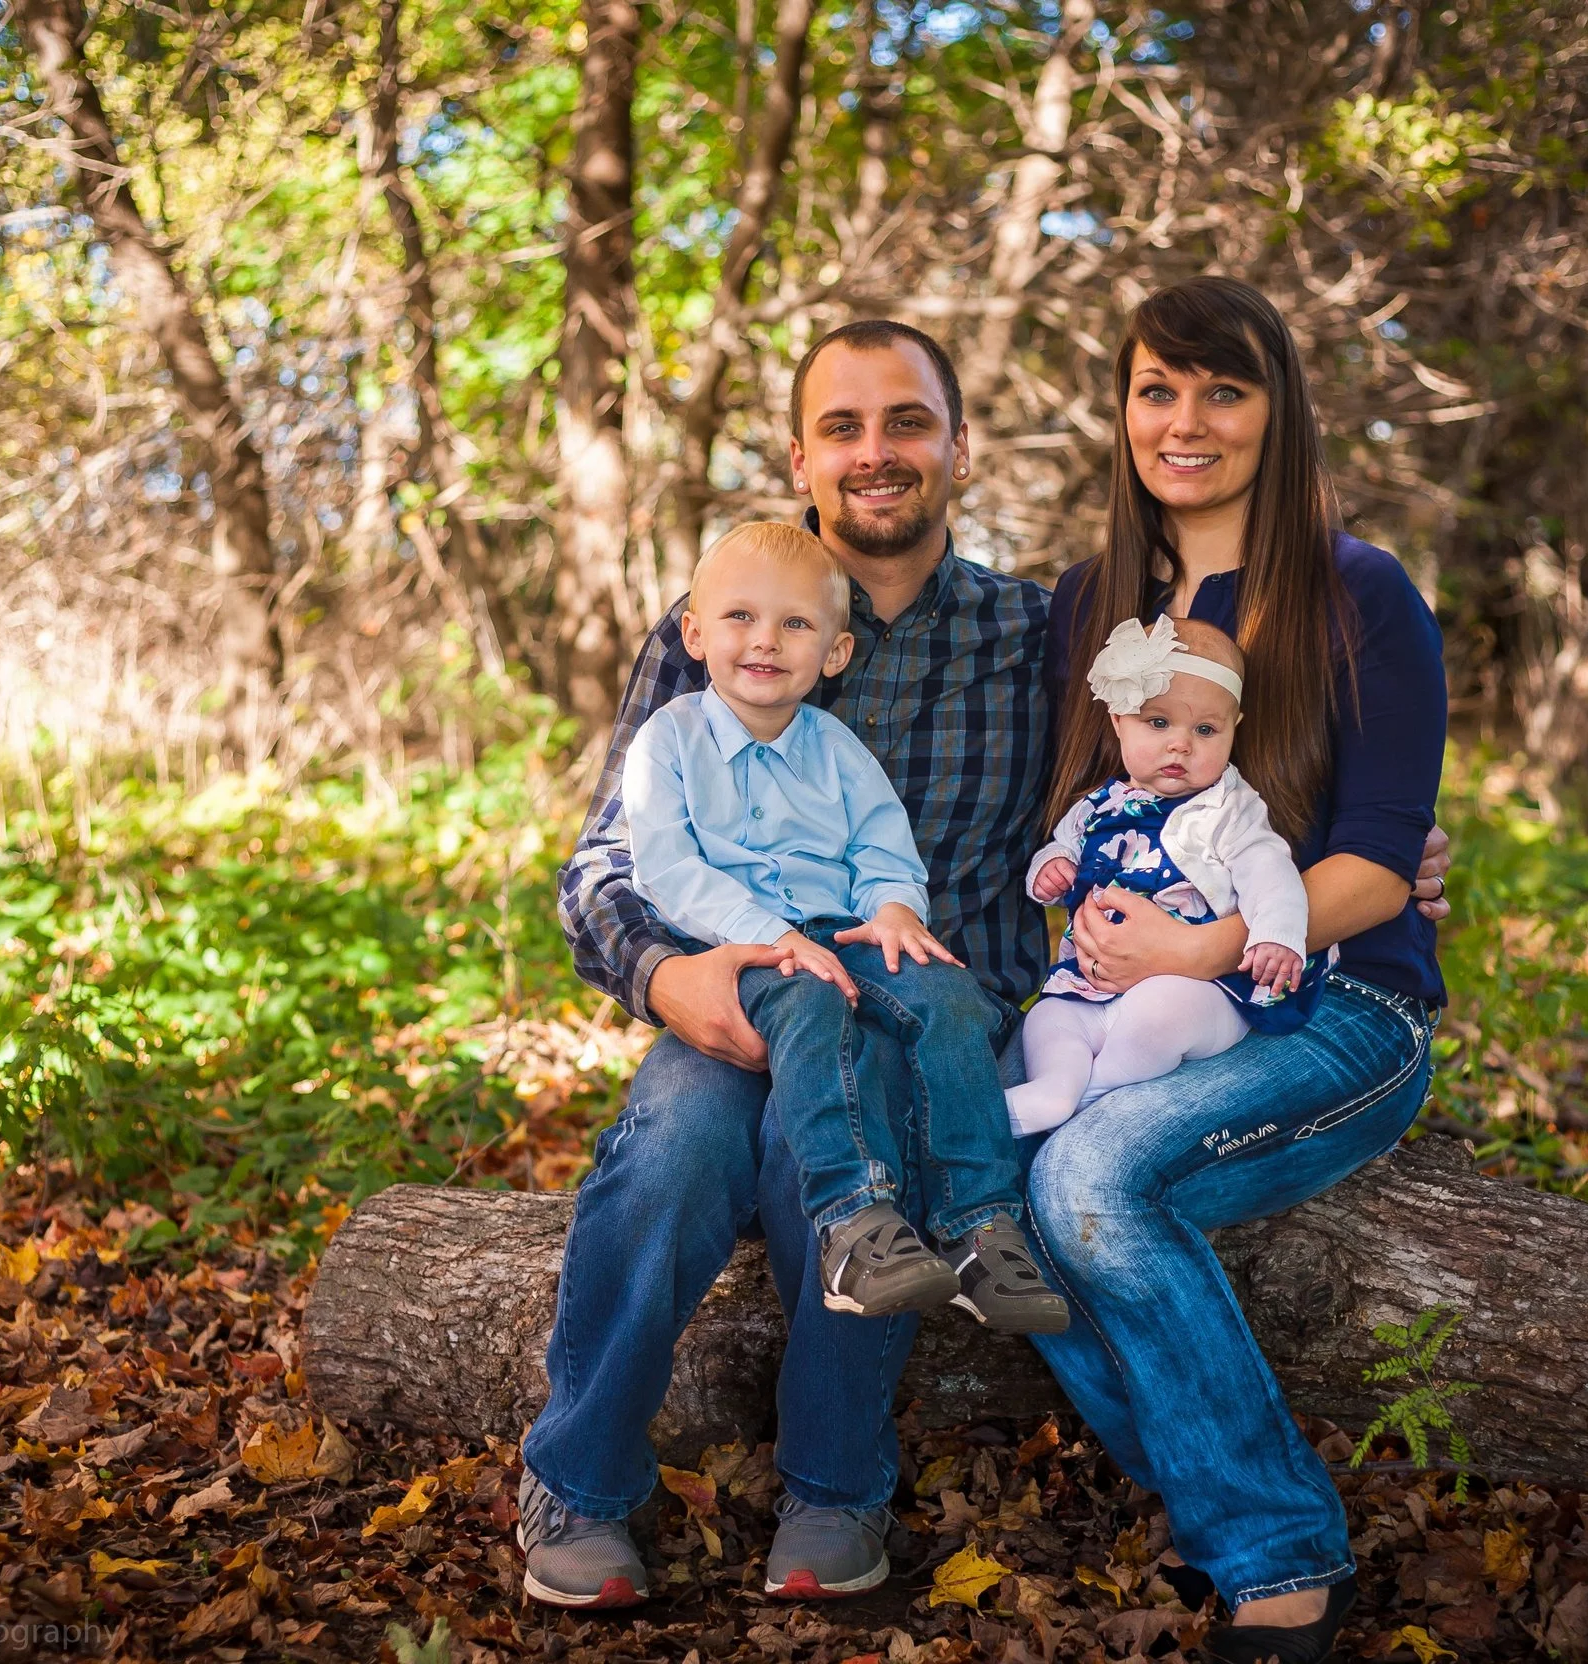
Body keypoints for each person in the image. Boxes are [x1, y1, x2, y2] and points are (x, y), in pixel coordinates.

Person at [524, 313, 1454, 1617]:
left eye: (908, 422)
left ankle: (838, 1491)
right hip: (747, 992)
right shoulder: (723, 624)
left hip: (929, 1012)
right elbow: (603, 866)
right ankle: (577, 1483)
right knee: (676, 1145)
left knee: (890, 1154)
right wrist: (665, 980)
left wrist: (1363, 856)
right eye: (843, 427)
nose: (876, 452)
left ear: (963, 452)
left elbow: (1176, 765)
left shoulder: (1038, 636)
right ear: (802, 456)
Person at [1024, 275, 1449, 1664]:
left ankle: (1275, 1557)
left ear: (1280, 413)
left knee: (1088, 1177)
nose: (1185, 421)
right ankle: (1208, 1462)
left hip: (1337, 1010)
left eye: (1224, 389)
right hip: (1137, 1010)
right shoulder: (1089, 605)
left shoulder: (1362, 594)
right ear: (1123, 410)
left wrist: (1208, 943)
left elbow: (1382, 866)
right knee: (994, 1172)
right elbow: (1084, 833)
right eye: (1157, 389)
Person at [619, 520, 1067, 1330]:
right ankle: (854, 1221)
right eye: (740, 618)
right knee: (811, 1006)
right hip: (742, 952)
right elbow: (666, 868)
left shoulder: (836, 747)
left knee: (951, 999)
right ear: (694, 631)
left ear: (834, 652)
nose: (765, 641)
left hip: (848, 932)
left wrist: (896, 909)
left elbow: (881, 846)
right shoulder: (670, 740)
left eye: (794, 624)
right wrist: (768, 937)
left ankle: (981, 1228)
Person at [1008, 615, 1317, 1136]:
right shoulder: (1097, 805)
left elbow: (1271, 870)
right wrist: (1051, 869)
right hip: (1091, 985)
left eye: (1204, 729)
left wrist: (1277, 935)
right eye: (1158, 723)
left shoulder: (1228, 809)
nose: (1180, 745)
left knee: (1161, 1011)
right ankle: (1051, 1090)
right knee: (1048, 1020)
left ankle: (1086, 1096)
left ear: (1233, 729)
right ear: (1117, 722)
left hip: (1197, 986)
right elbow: (1061, 847)